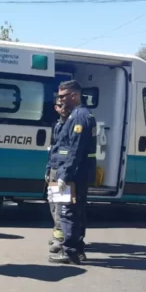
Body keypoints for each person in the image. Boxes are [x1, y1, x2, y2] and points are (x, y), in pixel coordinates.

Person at [49, 80, 97, 265]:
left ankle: (69, 251)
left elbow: (75, 150)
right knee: (75, 211)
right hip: (75, 172)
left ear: (74, 95)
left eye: (63, 96)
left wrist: (65, 175)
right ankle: (77, 250)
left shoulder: (78, 117)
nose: (60, 100)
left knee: (67, 212)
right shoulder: (76, 116)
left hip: (74, 174)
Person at [47, 100, 70, 254]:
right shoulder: (57, 125)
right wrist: (48, 169)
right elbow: (53, 149)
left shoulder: (71, 124)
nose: (63, 108)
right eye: (60, 106)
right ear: (56, 108)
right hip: (54, 168)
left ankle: (60, 240)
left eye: (65, 106)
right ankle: (57, 234)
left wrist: (64, 173)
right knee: (53, 204)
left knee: (61, 206)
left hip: (62, 170)